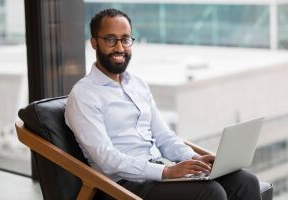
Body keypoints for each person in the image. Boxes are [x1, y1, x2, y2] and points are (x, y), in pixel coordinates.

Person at [65, 8, 261, 200]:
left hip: (158, 173)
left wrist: (193, 159)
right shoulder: (84, 95)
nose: (119, 48)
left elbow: (164, 137)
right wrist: (166, 171)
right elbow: (107, 160)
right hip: (121, 186)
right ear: (93, 42)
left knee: (245, 181)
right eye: (110, 40)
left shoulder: (138, 84)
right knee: (210, 192)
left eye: (125, 39)